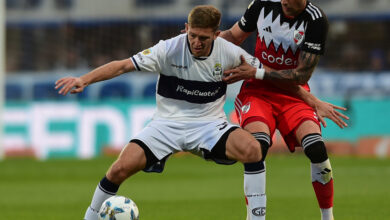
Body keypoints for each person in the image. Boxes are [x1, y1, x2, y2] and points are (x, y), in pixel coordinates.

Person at [55, 5, 268, 220]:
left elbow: (265, 74)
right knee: (119, 169)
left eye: (204, 38)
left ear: (216, 34)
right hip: (166, 125)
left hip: (209, 124)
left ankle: (257, 218)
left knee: (252, 149)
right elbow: (122, 66)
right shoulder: (168, 49)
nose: (196, 42)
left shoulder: (230, 52)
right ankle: (89, 218)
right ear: (186, 28)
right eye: (192, 35)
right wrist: (83, 79)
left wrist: (261, 75)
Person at [220, 0, 349, 220]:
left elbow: (300, 76)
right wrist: (203, 40)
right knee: (256, 148)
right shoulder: (262, 5)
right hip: (257, 92)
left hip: (293, 93)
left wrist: (256, 71)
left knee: (316, 149)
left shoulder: (315, 20)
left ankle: (328, 217)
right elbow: (233, 37)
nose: (285, 1)